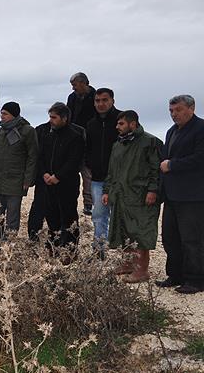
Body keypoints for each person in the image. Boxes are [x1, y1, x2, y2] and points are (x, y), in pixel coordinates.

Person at [102, 110, 162, 283]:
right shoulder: (118, 144)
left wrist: (153, 190)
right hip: (121, 194)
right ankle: (127, 264)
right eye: (117, 124)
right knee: (123, 228)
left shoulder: (149, 142)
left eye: (121, 124)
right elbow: (111, 171)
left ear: (133, 124)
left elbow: (155, 169)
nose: (117, 127)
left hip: (141, 195)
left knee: (140, 231)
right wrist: (107, 190)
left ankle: (141, 270)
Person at [157, 95, 204, 294]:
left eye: (178, 110)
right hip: (172, 194)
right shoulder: (171, 131)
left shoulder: (201, 128)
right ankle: (175, 274)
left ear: (191, 109)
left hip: (192, 195)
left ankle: (196, 279)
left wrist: (172, 165)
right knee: (170, 237)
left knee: (192, 239)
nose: (173, 114)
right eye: (171, 110)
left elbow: (200, 158)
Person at [28, 102, 85, 253]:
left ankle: (70, 250)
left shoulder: (75, 135)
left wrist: (58, 176)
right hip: (48, 183)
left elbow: (74, 160)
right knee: (51, 215)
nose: (51, 120)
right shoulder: (47, 134)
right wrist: (45, 173)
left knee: (68, 217)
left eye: (54, 117)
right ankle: (53, 247)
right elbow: (41, 157)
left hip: (67, 184)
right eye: (50, 117)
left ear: (64, 118)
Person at [0, 101, 38, 242]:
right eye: (1, 113)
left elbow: (32, 156)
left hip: (16, 181)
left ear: (14, 115)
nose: (2, 116)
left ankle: (8, 246)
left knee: (12, 217)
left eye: (5, 114)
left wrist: (28, 179)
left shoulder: (28, 131)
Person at [84, 88, 121, 255]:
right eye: (97, 101)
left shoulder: (122, 120)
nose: (101, 104)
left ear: (112, 100)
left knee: (122, 217)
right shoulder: (91, 124)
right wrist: (89, 164)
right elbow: (87, 148)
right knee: (99, 215)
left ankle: (127, 256)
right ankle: (99, 251)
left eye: (104, 100)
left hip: (121, 179)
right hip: (98, 178)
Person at [67, 72, 97, 215]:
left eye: (74, 85)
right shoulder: (72, 98)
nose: (73, 88)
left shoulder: (96, 97)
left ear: (84, 83)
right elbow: (68, 116)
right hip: (74, 138)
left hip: (90, 140)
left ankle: (88, 204)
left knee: (87, 173)